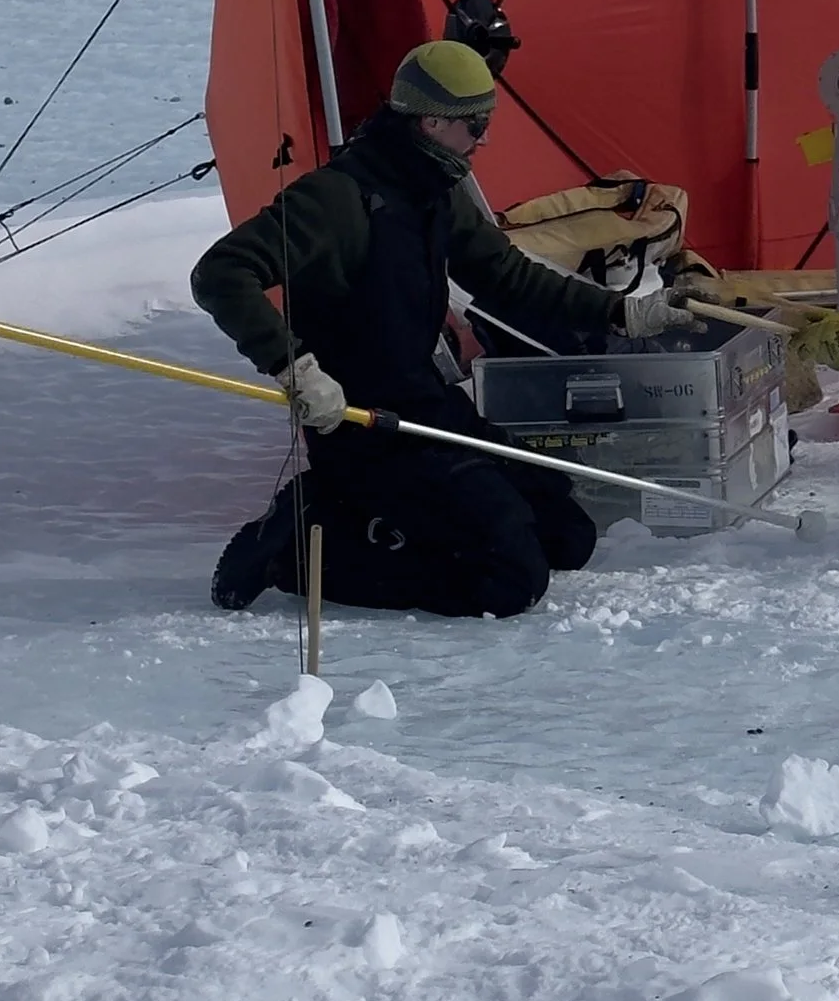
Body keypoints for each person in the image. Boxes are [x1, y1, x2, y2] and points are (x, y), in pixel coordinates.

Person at [194, 39, 695, 618]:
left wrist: (620, 311)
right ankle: (298, 549)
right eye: (476, 125)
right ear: (433, 121)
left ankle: (356, 514)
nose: (485, 139)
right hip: (362, 425)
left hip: (425, 408)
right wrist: (295, 368)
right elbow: (220, 273)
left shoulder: (436, 188)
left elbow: (504, 275)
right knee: (511, 579)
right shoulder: (335, 200)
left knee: (567, 535)